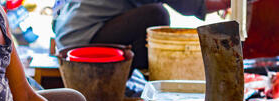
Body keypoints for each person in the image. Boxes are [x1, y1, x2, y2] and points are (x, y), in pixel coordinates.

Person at [52, 0, 231, 71]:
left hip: (70, 34)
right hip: (80, 44)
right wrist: (229, 2)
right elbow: (189, 6)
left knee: (153, 15)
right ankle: (137, 86)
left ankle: (132, 80)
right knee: (156, 15)